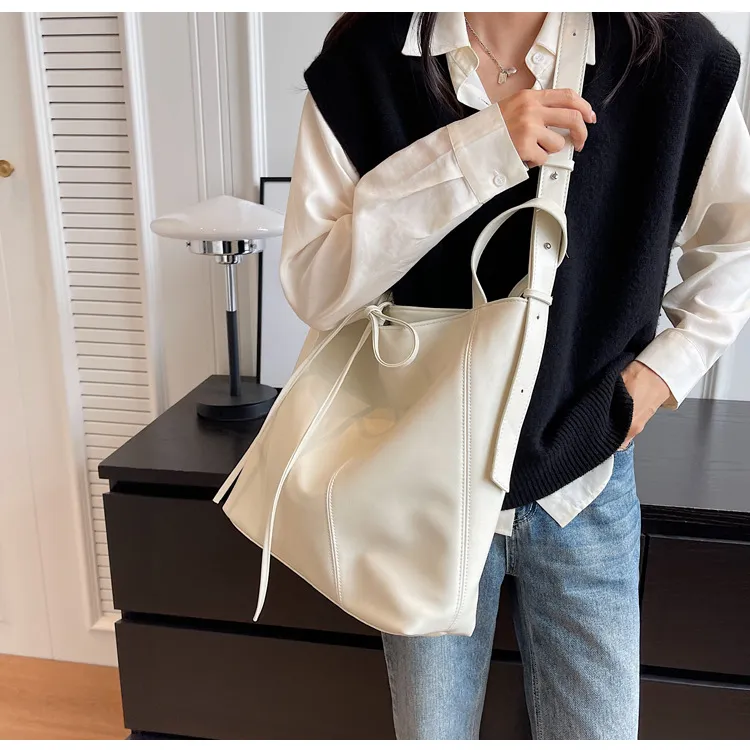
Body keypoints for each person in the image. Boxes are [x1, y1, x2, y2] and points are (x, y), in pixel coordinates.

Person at [279, 11, 750, 740]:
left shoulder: (673, 56)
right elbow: (315, 283)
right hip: (420, 484)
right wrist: (477, 150)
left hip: (585, 481)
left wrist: (653, 382)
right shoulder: (366, 59)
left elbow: (737, 243)